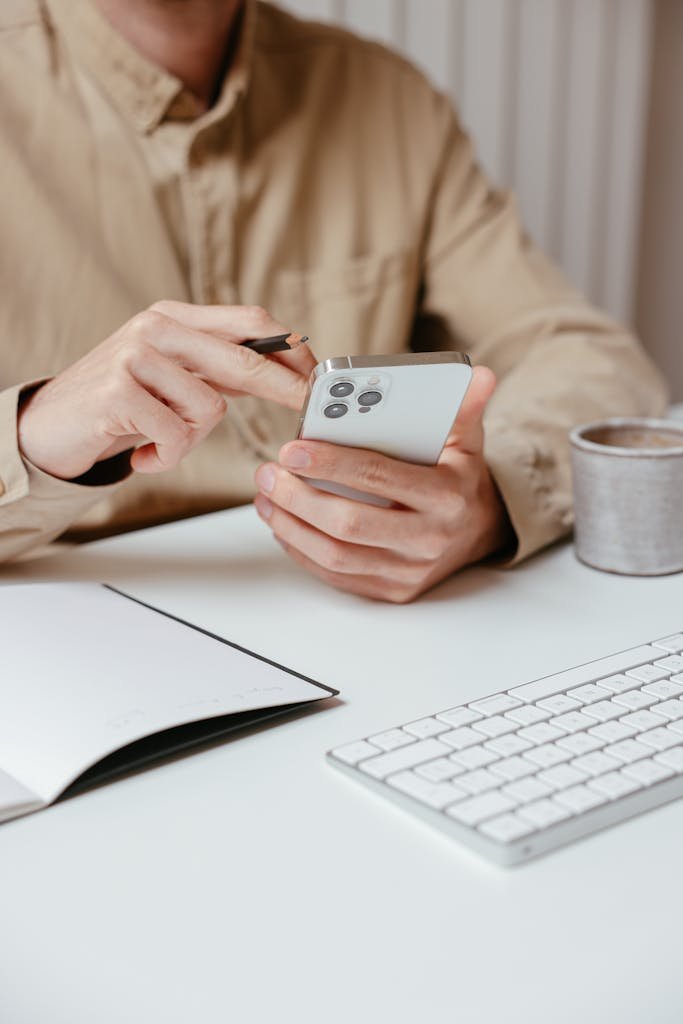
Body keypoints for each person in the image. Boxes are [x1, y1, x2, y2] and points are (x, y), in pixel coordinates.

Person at [0, 0, 667, 601]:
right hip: (62, 614)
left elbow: (589, 356)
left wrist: (487, 497)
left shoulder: (387, 99)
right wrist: (29, 434)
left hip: (369, 622)